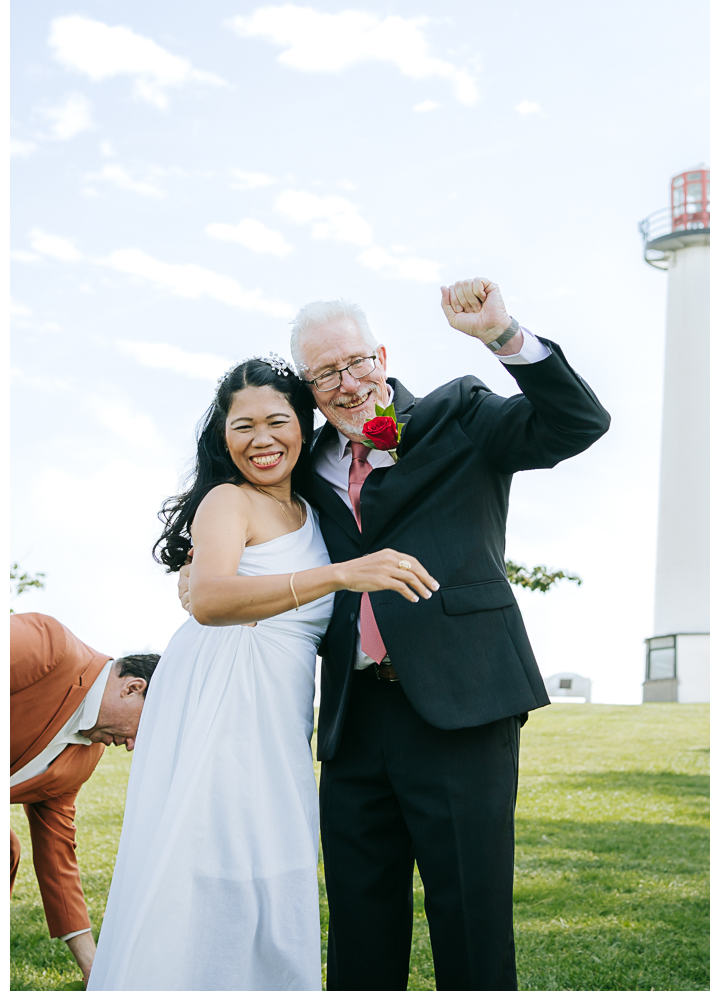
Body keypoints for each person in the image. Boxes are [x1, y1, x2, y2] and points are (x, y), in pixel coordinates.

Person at [180, 276, 610, 990]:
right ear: (309, 386)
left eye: (355, 363)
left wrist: (503, 335)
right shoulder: (302, 464)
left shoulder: (459, 415)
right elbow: (243, 527)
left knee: (470, 919)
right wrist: (192, 573)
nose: (347, 385)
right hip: (353, 721)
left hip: (464, 703)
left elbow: (577, 424)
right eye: (325, 374)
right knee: (359, 925)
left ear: (380, 354)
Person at [88, 357, 437, 991]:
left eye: (277, 421)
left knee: (273, 861)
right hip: (222, 692)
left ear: (303, 427)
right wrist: (337, 575)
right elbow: (212, 600)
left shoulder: (314, 507)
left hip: (279, 708)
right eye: (243, 425)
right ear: (224, 437)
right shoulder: (229, 500)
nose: (261, 439)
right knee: (210, 852)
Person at [10, 611, 160, 987]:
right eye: (144, 729)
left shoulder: (86, 757)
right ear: (132, 688)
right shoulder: (49, 644)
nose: (131, 746)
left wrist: (92, 965)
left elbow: (58, 855)